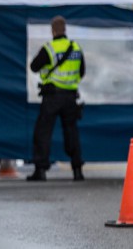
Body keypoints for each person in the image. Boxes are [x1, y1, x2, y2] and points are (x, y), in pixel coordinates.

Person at [27, 16, 85, 181]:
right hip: (71, 97)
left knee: (43, 132)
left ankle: (41, 170)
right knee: (72, 133)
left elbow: (34, 67)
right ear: (65, 29)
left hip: (52, 96)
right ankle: (77, 170)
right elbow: (82, 72)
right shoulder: (76, 48)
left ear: (52, 30)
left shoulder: (49, 48)